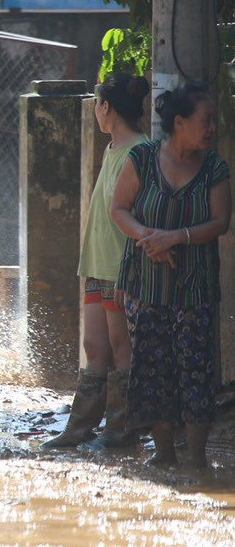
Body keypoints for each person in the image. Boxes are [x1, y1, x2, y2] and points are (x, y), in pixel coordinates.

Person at [111, 83, 231, 469]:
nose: (212, 128)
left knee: (197, 371)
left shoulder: (214, 167)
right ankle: (163, 456)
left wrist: (175, 237)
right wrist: (149, 237)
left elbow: (220, 222)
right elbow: (120, 210)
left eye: (212, 121)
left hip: (195, 289)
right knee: (152, 369)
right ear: (179, 123)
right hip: (145, 286)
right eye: (205, 121)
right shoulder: (142, 159)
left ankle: (196, 460)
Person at [43, 74, 150, 450]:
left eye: (96, 105)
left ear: (107, 108)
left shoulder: (141, 151)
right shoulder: (112, 148)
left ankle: (119, 430)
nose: (95, 113)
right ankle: (81, 428)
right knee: (94, 346)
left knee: (122, 347)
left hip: (120, 266)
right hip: (97, 263)